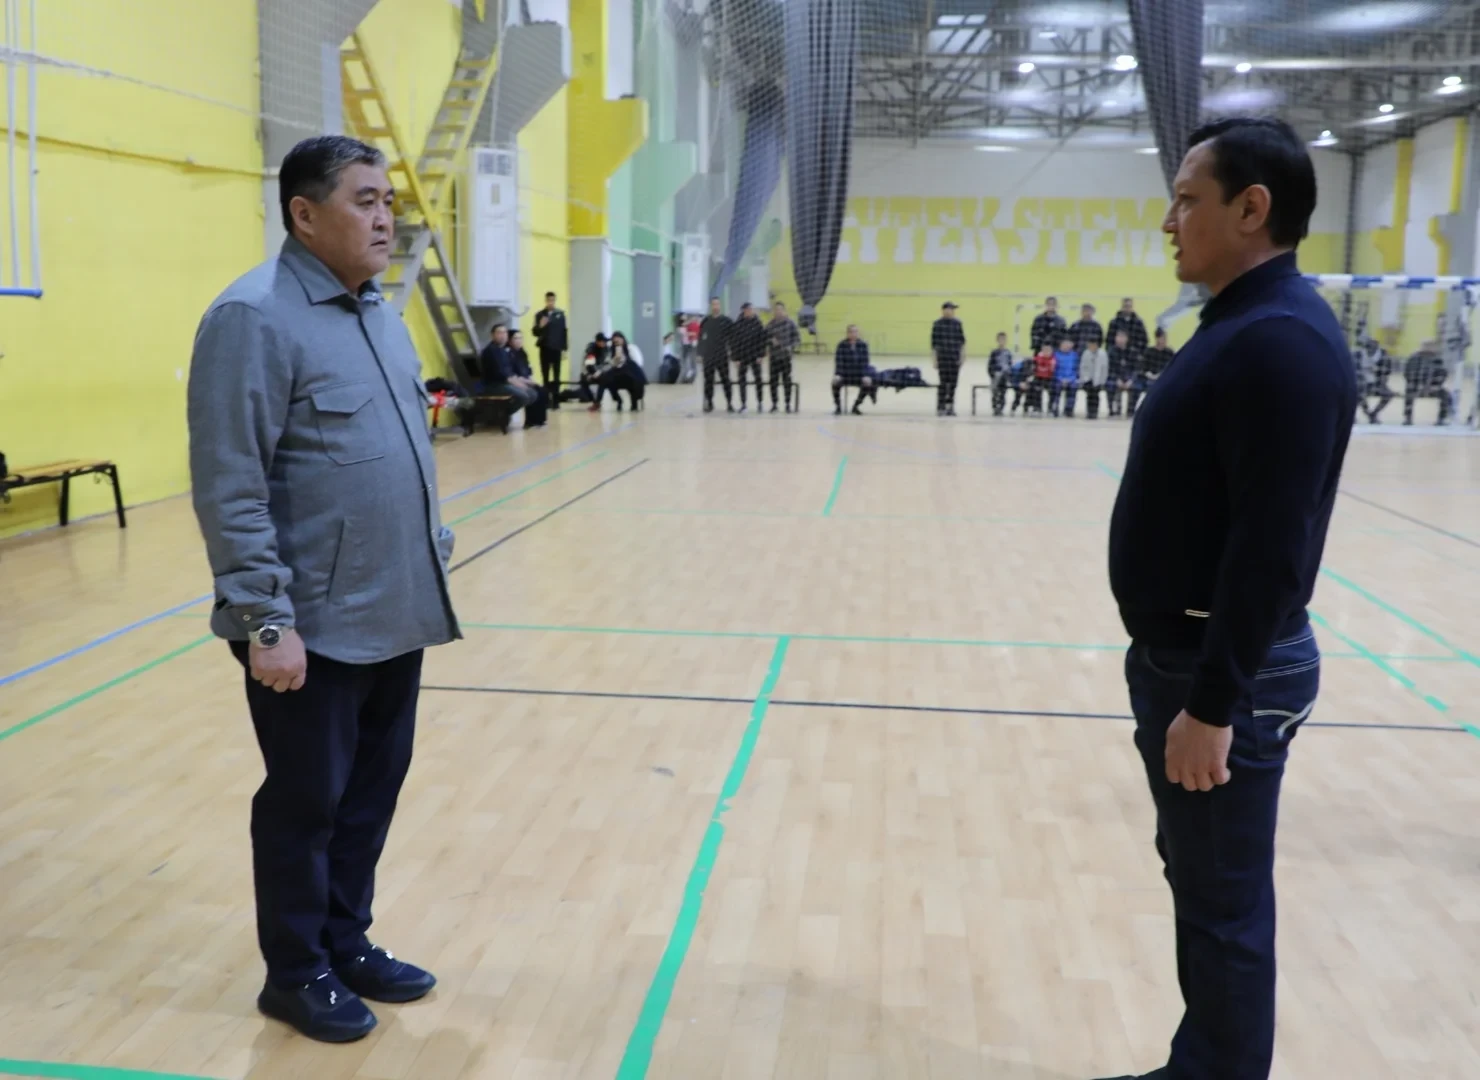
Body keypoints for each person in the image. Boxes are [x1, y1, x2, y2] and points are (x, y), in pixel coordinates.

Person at [187, 134, 459, 1044]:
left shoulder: (379, 313)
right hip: (309, 626)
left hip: (395, 607)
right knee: (305, 805)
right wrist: (264, 619)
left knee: (370, 795)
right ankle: (296, 971)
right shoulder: (253, 318)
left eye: (390, 202)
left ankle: (347, 943)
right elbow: (230, 483)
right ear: (304, 214)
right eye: (365, 201)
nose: (386, 219)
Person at [1100, 116, 1356, 1080]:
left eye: (1186, 200)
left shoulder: (1278, 342)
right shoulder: (1243, 325)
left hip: (1222, 675)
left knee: (1223, 901)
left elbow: (1271, 549)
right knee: (1207, 888)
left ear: (1252, 209)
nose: (1169, 221)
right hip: (1195, 662)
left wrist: (1214, 703)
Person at [477, 324, 541, 424]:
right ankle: (497, 416)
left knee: (532, 394)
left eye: (505, 332)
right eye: (499, 332)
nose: (502, 335)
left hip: (505, 383)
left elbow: (511, 373)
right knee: (523, 396)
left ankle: (501, 415)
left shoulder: (504, 351)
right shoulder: (491, 351)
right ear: (493, 335)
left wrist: (521, 383)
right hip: (494, 385)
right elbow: (503, 375)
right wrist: (519, 385)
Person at [532, 290, 568, 409]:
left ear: (555, 300)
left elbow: (564, 332)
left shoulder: (560, 314)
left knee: (556, 375)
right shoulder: (540, 315)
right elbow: (535, 332)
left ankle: (556, 401)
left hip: (557, 349)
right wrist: (540, 326)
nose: (550, 302)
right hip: (545, 348)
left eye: (552, 300)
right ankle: (546, 400)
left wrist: (565, 349)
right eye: (548, 300)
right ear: (545, 301)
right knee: (545, 375)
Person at [698, 297, 734, 413]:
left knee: (725, 379)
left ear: (720, 305)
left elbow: (733, 338)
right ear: (711, 306)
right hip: (708, 356)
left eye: (717, 304)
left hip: (722, 355)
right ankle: (709, 402)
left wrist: (732, 352)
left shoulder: (727, 321)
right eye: (713, 304)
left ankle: (729, 403)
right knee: (708, 380)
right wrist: (700, 353)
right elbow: (701, 338)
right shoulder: (706, 321)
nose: (715, 306)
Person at [1130, 327, 1176, 417]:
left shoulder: (1169, 352)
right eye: (1162, 338)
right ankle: (1131, 410)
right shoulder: (1149, 351)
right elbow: (1143, 367)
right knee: (1137, 386)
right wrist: (1149, 374)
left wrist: (1161, 375)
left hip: (1164, 378)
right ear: (1157, 339)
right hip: (1149, 377)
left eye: (1165, 338)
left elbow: (1173, 367)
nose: (1164, 340)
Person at [931, 300, 966, 416]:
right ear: (944, 310)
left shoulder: (957, 324)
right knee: (943, 383)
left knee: (953, 384)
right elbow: (934, 344)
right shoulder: (937, 324)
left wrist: (962, 357)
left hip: (954, 358)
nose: (951, 311)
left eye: (952, 310)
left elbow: (962, 342)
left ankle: (950, 407)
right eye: (950, 309)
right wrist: (935, 360)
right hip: (943, 358)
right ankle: (941, 407)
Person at [1402, 340, 1450, 425]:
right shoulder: (1414, 358)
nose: (1428, 348)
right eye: (1426, 346)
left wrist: (1435, 385)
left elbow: (1442, 374)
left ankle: (1441, 419)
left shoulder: (1438, 359)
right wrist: (1418, 384)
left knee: (1446, 395)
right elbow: (1408, 373)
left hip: (1432, 386)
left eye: (1431, 346)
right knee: (1409, 391)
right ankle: (1408, 418)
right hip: (1415, 386)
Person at [731, 302, 768, 412]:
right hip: (742, 356)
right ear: (743, 311)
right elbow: (734, 342)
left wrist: (761, 355)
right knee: (742, 380)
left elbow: (762, 340)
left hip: (755, 356)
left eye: (751, 309)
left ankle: (760, 403)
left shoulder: (758, 323)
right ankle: (743, 404)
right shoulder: (738, 324)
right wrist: (735, 358)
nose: (750, 311)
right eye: (747, 310)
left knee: (758, 379)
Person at [506, 329, 547, 427]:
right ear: (510, 340)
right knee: (532, 392)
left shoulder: (522, 353)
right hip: (515, 381)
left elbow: (528, 370)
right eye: (515, 338)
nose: (518, 340)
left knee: (542, 390)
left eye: (520, 338)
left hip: (525, 379)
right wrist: (527, 382)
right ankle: (530, 421)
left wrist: (532, 381)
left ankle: (539, 420)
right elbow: (511, 374)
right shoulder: (508, 354)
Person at [832, 324, 875, 415]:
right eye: (851, 332)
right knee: (835, 383)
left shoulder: (863, 345)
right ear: (847, 333)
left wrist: (865, 375)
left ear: (858, 333)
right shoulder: (841, 345)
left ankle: (856, 406)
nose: (853, 334)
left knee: (868, 383)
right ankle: (838, 407)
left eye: (855, 331)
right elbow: (839, 361)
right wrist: (838, 374)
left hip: (858, 374)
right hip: (845, 374)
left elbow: (865, 362)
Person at [767, 299, 802, 412]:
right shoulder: (770, 325)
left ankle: (787, 404)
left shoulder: (790, 324)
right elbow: (764, 338)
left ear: (784, 311)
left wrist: (790, 347)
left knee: (787, 381)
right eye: (776, 309)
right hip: (774, 358)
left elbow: (797, 339)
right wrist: (770, 341)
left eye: (780, 309)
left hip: (786, 358)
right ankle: (774, 404)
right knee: (773, 382)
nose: (778, 311)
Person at [1108, 296, 1150, 362]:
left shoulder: (1138, 323)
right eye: (1125, 306)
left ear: (1132, 307)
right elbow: (1109, 341)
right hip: (1117, 358)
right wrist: (1111, 354)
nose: (1127, 308)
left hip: (1134, 358)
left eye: (1129, 306)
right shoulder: (1114, 322)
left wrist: (1141, 355)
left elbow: (1145, 341)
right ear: (1122, 307)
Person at [1106, 327, 1134, 417]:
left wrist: (1131, 380)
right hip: (1115, 377)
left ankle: (1130, 411)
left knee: (1136, 386)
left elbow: (1135, 368)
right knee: (1110, 385)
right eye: (1118, 337)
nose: (1120, 339)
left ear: (1127, 339)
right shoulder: (1111, 352)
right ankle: (1113, 410)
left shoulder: (1132, 351)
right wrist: (1117, 379)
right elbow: (1110, 368)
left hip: (1128, 378)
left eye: (1123, 337)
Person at [1079, 336, 1110, 419]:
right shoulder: (1086, 353)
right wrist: (1084, 379)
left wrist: (1102, 381)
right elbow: (1082, 368)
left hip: (1098, 380)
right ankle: (1089, 412)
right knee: (1089, 396)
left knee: (1096, 396)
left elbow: (1104, 369)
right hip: (1088, 380)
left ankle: (1095, 412)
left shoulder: (1102, 354)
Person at [987, 332, 1014, 416]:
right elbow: (990, 366)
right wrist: (992, 374)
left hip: (1005, 376)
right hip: (996, 375)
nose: (1002, 341)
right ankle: (995, 407)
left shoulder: (1008, 353)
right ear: (997, 340)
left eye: (1003, 339)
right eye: (1000, 339)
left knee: (1003, 392)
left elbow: (1010, 365)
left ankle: (1001, 407)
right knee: (995, 391)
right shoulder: (994, 352)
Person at [1052, 335, 1080, 417]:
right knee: (1056, 388)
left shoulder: (1074, 356)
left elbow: (1076, 370)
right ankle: (1055, 408)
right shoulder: (1055, 355)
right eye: (1064, 344)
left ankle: (1069, 409)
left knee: (1073, 387)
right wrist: (1061, 379)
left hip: (1071, 379)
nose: (1066, 346)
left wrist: (1071, 379)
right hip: (1058, 379)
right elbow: (1054, 370)